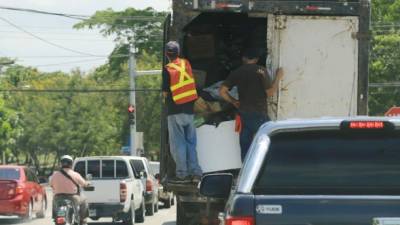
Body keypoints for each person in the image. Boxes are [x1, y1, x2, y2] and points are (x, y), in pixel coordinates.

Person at [219, 48, 284, 161]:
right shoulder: (261, 71)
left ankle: (246, 173)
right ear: (257, 59)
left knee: (245, 148)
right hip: (259, 114)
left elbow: (222, 91)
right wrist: (278, 77)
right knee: (269, 143)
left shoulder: (237, 72)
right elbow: (269, 93)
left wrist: (234, 101)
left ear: (243, 58)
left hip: (243, 114)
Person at [162, 41, 202, 183]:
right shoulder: (186, 64)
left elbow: (166, 93)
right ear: (178, 53)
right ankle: (196, 173)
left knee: (178, 143)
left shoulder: (167, 69)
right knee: (191, 142)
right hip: (189, 110)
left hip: (175, 110)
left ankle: (182, 174)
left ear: (167, 54)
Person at [50, 155, 89, 225]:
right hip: (73, 198)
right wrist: (87, 184)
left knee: (54, 201)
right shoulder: (75, 174)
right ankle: (83, 220)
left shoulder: (55, 175)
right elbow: (84, 184)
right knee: (84, 200)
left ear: (61, 164)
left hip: (58, 198)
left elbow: (51, 185)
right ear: (71, 164)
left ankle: (55, 218)